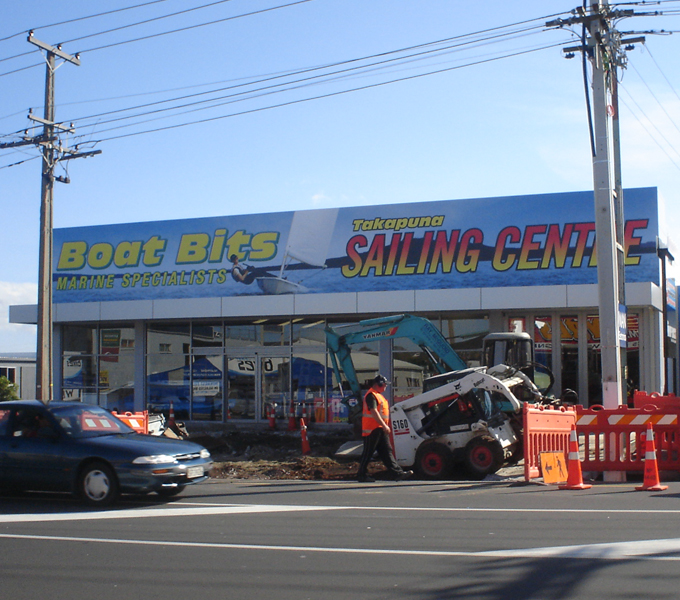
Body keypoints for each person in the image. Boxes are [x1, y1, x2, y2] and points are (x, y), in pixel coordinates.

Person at [357, 374, 413, 482]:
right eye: (384, 385)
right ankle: (361, 475)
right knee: (368, 452)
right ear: (379, 384)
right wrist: (384, 425)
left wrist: (383, 426)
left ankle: (397, 473)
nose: (385, 387)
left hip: (380, 429)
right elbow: (373, 411)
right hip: (373, 429)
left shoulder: (378, 395)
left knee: (387, 451)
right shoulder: (371, 395)